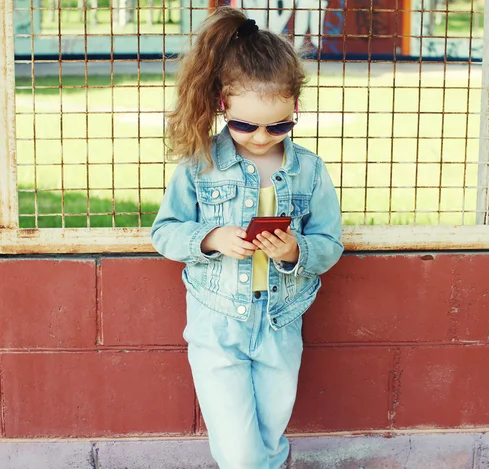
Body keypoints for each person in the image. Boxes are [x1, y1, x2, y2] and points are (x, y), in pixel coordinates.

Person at [151, 6, 343, 468]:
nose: (261, 137)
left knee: (270, 437)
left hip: (281, 321)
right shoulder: (200, 165)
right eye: (245, 125)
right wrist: (211, 237)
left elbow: (330, 242)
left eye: (279, 126)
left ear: (295, 107)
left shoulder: (309, 170)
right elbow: (164, 232)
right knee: (239, 451)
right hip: (218, 322)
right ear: (223, 103)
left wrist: (297, 250)